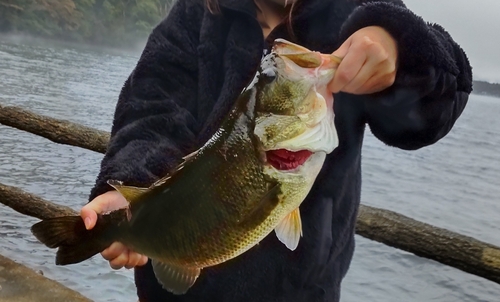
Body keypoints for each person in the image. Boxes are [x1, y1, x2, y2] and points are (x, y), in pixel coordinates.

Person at [81, 0, 472, 300]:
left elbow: (440, 103)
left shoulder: (357, 9)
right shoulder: (193, 15)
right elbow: (151, 109)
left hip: (301, 292)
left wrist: (399, 48)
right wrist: (128, 186)